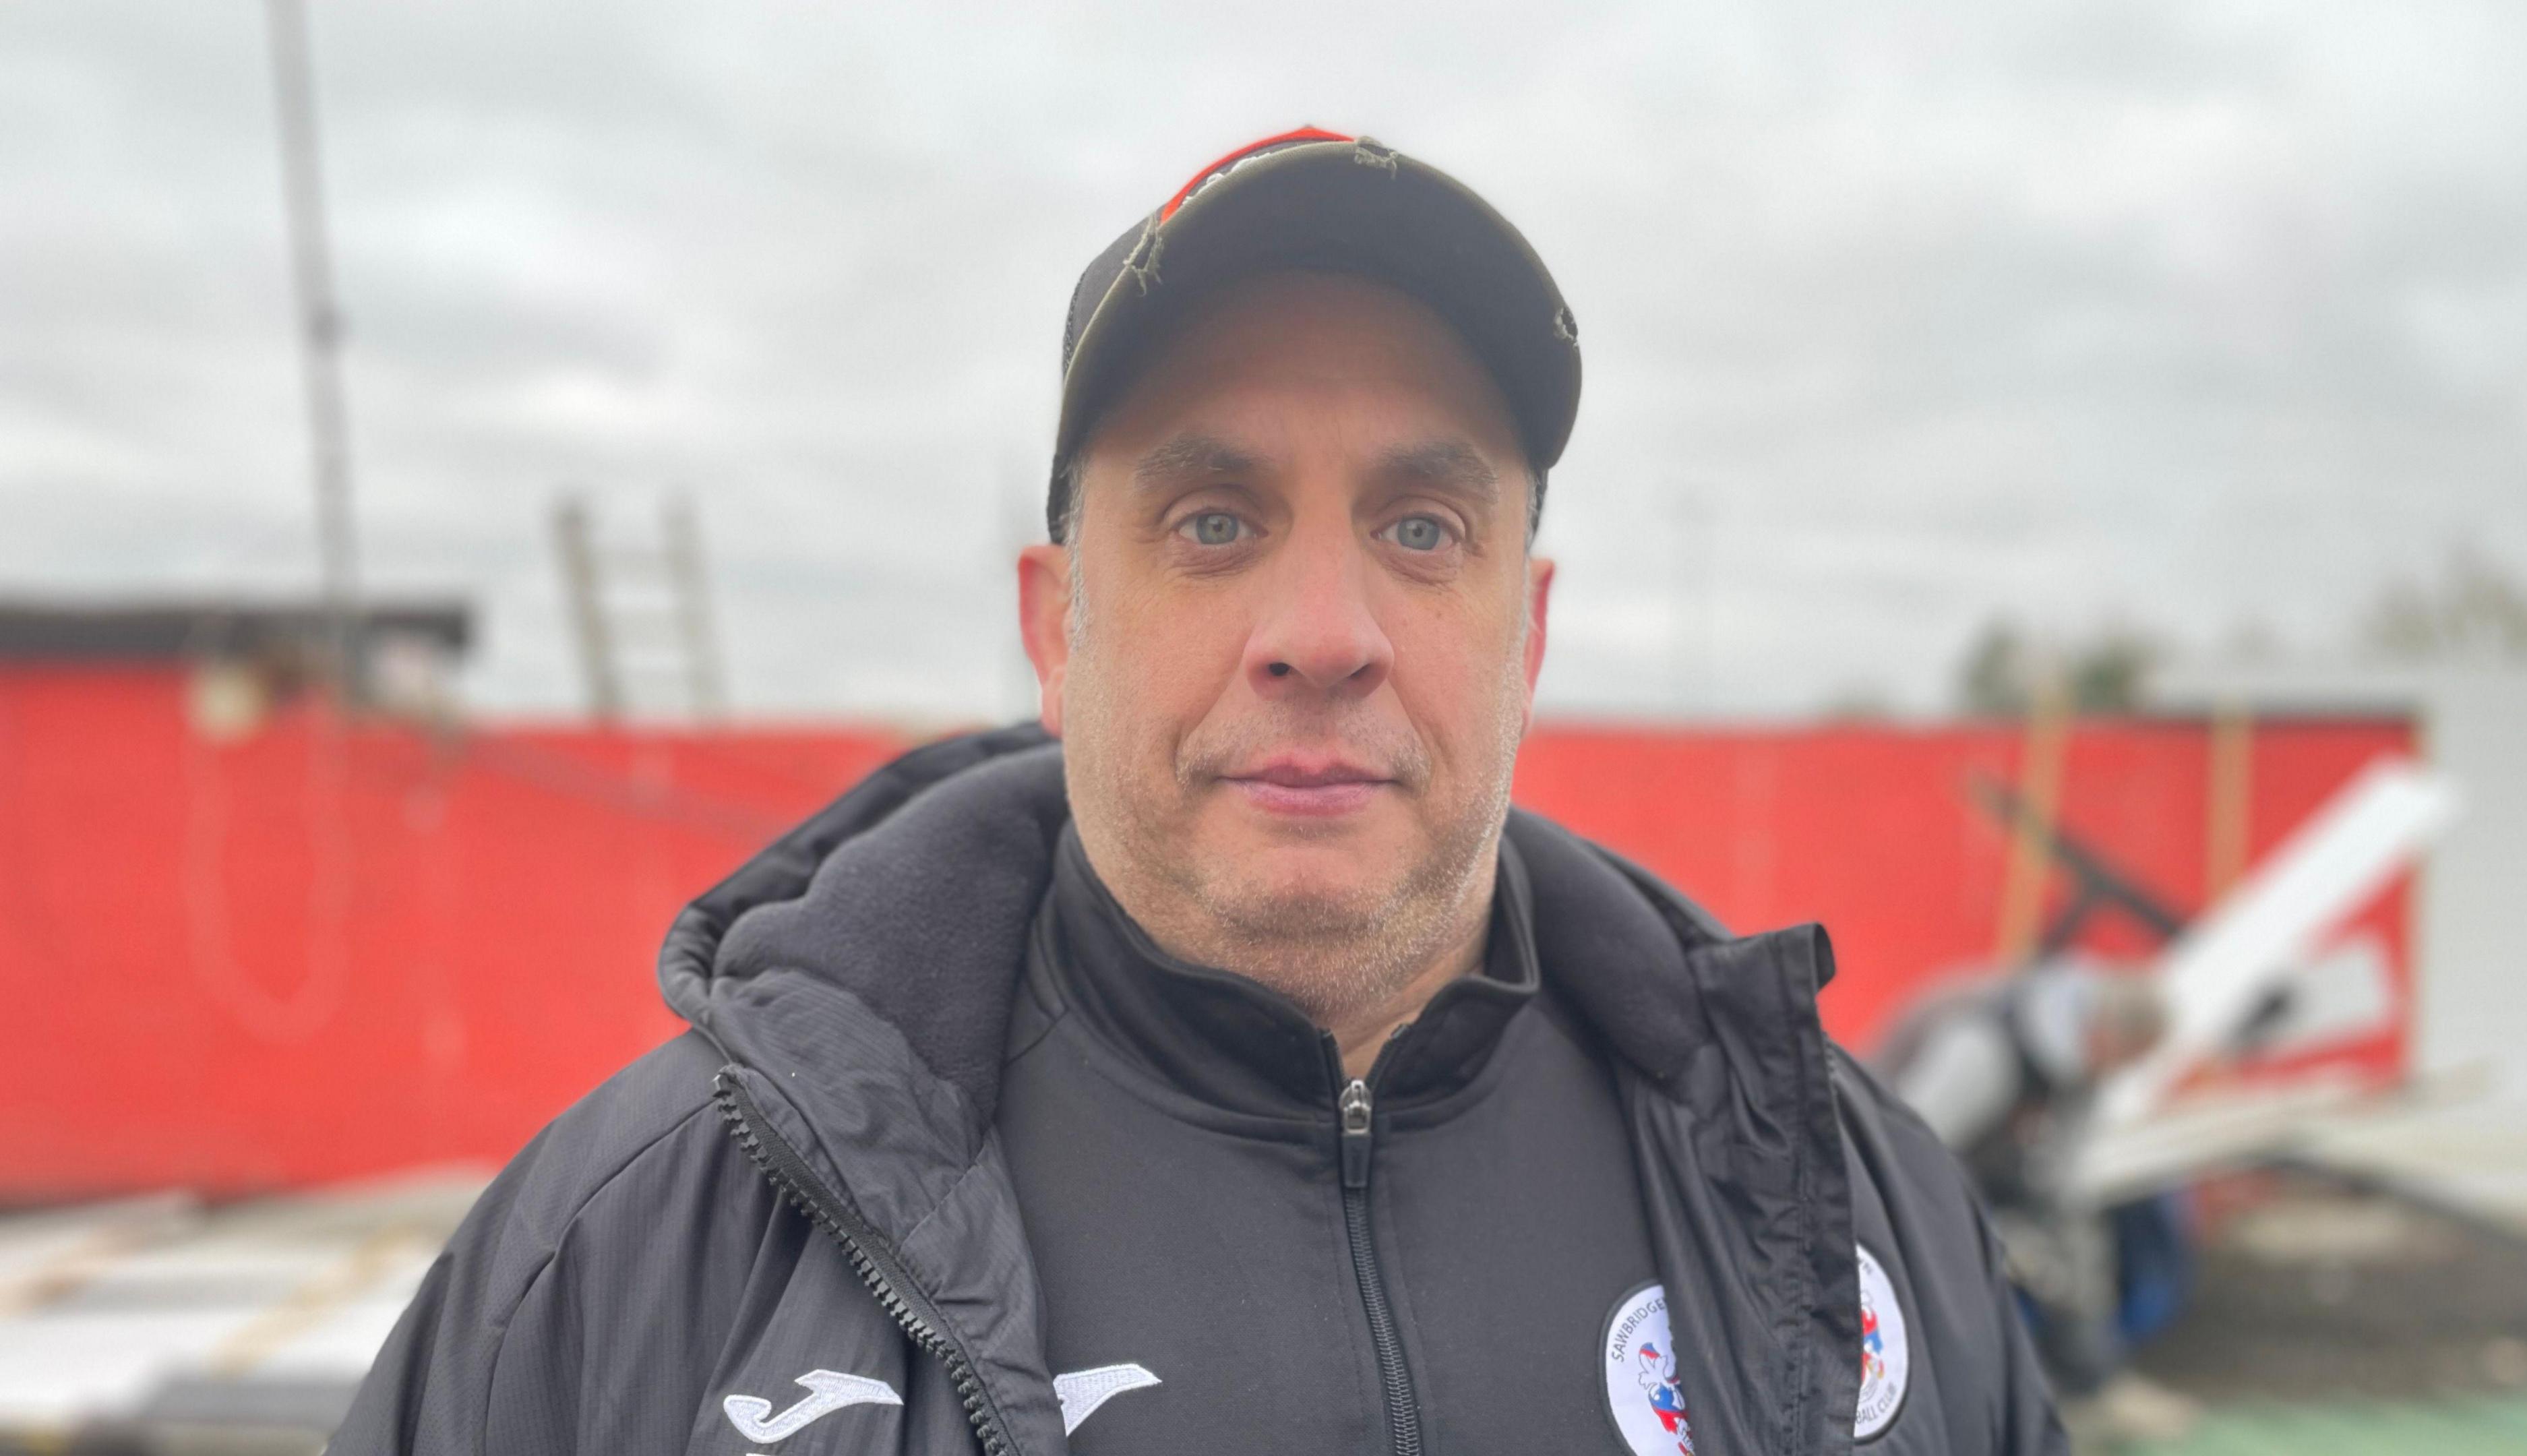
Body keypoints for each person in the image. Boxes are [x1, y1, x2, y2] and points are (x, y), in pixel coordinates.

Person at [334, 129, 2064, 1456]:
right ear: (1054, 621)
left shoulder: (1841, 1201)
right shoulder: (622, 1259)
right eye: (1214, 520)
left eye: (1420, 527)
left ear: (1524, 629)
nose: (1323, 634)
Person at [1877, 958, 2191, 1440]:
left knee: (2070, 1246)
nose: (2126, 1073)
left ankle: (2090, 1388)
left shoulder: (2085, 1065)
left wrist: (2058, 1250)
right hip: (1902, 1170)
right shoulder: (1987, 1046)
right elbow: (1910, 1153)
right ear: (2106, 1032)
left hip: (1980, 1170)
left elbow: (2064, 1181)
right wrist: (1993, 1235)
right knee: (1966, 1266)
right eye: (2129, 1058)